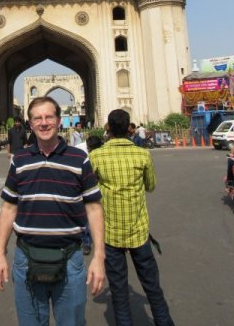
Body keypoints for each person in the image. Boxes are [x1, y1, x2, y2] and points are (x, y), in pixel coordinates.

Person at [0, 96, 106, 325]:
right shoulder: (20, 160)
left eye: (49, 117)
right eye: (37, 118)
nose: (43, 123)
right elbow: (8, 208)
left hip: (69, 259)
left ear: (58, 120)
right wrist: (0, 254)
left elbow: (94, 208)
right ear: (30, 124)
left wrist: (99, 257)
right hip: (26, 257)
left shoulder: (79, 158)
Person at [90, 109, 176, 326]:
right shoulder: (142, 154)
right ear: (130, 128)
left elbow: (88, 190)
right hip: (139, 232)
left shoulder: (96, 156)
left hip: (110, 235)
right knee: (152, 288)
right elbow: (151, 186)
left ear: (107, 128)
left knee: (118, 293)